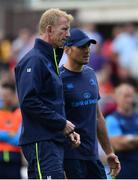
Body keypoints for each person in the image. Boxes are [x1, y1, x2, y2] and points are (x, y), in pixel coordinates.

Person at [15, 9, 80, 179]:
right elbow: (28, 101)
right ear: (49, 30)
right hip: (41, 142)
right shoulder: (34, 60)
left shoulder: (49, 60)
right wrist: (61, 123)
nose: (68, 34)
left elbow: (50, 102)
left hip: (52, 141)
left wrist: (65, 130)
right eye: (64, 29)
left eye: (69, 29)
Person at [60, 28, 121, 179]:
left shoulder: (90, 73)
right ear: (67, 50)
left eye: (88, 46)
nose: (87, 50)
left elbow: (98, 117)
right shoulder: (58, 78)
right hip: (70, 157)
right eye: (81, 47)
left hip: (92, 156)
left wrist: (109, 152)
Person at [106, 83, 138, 179]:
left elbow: (123, 142)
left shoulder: (137, 117)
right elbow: (117, 145)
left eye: (131, 96)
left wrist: (128, 140)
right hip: (123, 168)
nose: (129, 100)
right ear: (117, 97)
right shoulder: (111, 119)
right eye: (125, 96)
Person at [0, 82, 22, 178]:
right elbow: (14, 137)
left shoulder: (20, 113)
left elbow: (18, 139)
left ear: (13, 95)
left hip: (15, 158)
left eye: (6, 95)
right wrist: (9, 134)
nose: (3, 98)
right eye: (2, 95)